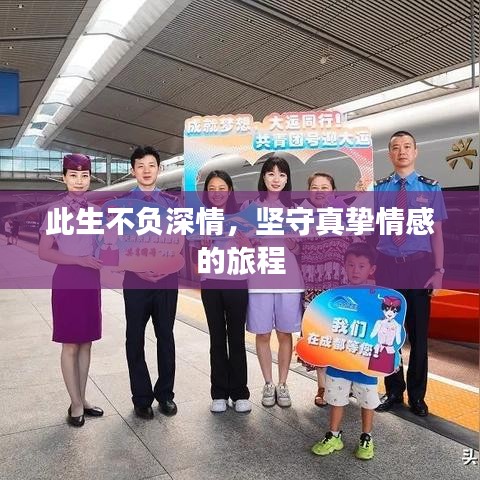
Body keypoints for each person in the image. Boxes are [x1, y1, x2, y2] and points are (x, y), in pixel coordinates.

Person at [374, 130, 447, 417]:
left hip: (419, 267)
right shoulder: (378, 189)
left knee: (418, 336)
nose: (401, 151)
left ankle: (417, 396)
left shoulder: (431, 188)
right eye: (396, 147)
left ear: (415, 152)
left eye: (407, 146)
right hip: (387, 266)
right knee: (388, 334)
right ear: (389, 154)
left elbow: (437, 233)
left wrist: (439, 271)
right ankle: (393, 390)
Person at [38, 154, 103, 427]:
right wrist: (78, 260)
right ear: (64, 178)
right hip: (67, 279)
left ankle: (83, 398)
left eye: (84, 176)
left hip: (91, 280)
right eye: (73, 175)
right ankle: (75, 403)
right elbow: (44, 252)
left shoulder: (97, 211)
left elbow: (103, 246)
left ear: (90, 178)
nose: (79, 181)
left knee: (86, 341)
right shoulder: (56, 210)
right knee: (70, 343)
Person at [123, 146, 179, 420]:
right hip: (135, 280)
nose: (146, 170)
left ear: (160, 169)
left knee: (165, 336)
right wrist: (140, 269)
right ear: (133, 170)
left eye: (151, 165)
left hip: (167, 280)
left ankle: (165, 394)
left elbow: (179, 241)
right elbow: (113, 245)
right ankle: (141, 397)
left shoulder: (172, 204)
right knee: (134, 337)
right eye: (140, 166)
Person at [311, 242, 379, 460]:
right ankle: (334, 435)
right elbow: (324, 324)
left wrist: (390, 357)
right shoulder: (336, 296)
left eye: (361, 266)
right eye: (350, 265)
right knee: (335, 397)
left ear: (371, 269)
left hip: (365, 362)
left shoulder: (378, 298)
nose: (355, 270)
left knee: (367, 399)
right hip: (339, 359)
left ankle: (366, 437)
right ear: (344, 266)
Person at [244, 155, 303, 408]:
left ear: (287, 179)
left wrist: (292, 242)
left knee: (285, 332)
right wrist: (250, 241)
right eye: (271, 173)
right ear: (263, 177)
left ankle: (283, 383)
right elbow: (241, 243)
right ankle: (268, 383)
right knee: (263, 332)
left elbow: (298, 249)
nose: (276, 179)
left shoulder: (295, 209)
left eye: (281, 174)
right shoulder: (250, 207)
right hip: (259, 277)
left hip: (288, 277)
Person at [298, 172, 361, 407]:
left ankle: (345, 384)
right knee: (318, 336)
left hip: (341, 285)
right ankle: (322, 386)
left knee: (343, 334)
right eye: (315, 187)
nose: (320, 191)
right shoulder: (301, 215)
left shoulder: (345, 213)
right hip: (312, 284)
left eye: (325, 187)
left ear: (333, 191)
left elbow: (359, 243)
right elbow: (295, 247)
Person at [199, 170, 252, 413]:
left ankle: (240, 392)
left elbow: (252, 252)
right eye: (212, 188)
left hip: (237, 281)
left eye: (222, 188)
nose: (217, 193)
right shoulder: (201, 218)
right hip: (210, 282)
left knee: (237, 339)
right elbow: (195, 258)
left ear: (230, 191)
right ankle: (219, 392)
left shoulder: (242, 216)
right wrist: (203, 246)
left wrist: (247, 245)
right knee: (217, 338)